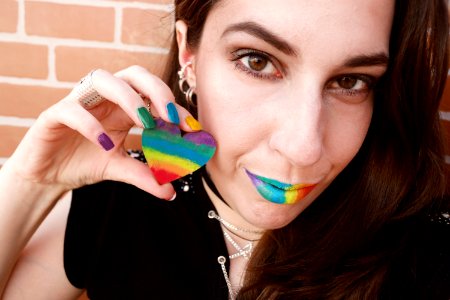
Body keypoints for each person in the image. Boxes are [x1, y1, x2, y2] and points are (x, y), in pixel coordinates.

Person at [0, 0, 449, 299]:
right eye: (258, 61)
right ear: (188, 57)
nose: (303, 148)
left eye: (351, 81)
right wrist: (27, 184)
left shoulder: (423, 249)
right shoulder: (112, 201)